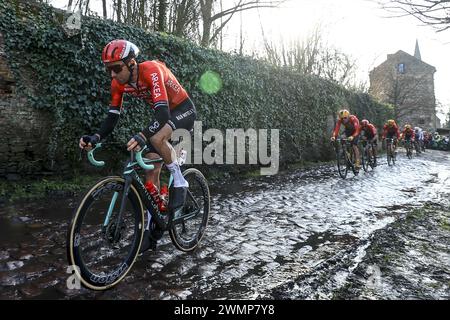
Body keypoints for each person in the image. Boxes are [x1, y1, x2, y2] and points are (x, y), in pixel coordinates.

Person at [78, 40, 197, 253]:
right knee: (150, 170)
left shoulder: (152, 70)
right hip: (164, 114)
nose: (112, 75)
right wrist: (95, 137)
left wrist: (143, 135)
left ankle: (180, 181)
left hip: (183, 110)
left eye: (116, 68)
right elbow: (112, 118)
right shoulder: (118, 84)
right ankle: (153, 230)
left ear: (132, 63)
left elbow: (162, 114)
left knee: (155, 139)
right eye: (108, 69)